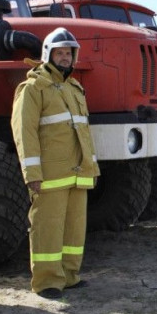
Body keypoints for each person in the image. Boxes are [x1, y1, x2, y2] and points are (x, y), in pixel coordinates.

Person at [11, 27, 100, 299]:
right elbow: (24, 133)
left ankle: (69, 276)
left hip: (78, 173)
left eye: (68, 53)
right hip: (50, 174)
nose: (64, 57)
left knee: (74, 229)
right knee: (47, 228)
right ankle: (47, 281)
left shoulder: (75, 88)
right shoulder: (33, 88)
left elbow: (84, 131)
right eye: (59, 52)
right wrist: (32, 173)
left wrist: (92, 167)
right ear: (47, 54)